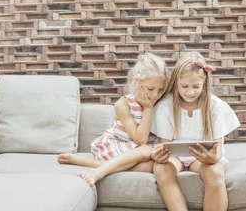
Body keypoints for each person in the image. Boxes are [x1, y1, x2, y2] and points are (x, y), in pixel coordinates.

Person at [58, 53, 169, 186]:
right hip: (118, 145)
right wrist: (148, 109)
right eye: (150, 89)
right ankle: (98, 171)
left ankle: (92, 163)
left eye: (160, 90)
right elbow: (140, 139)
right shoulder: (123, 104)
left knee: (152, 166)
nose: (155, 95)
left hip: (136, 154)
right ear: (137, 83)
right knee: (146, 150)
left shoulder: (161, 104)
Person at [150, 52, 240, 211]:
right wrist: (160, 155)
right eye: (184, 86)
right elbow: (165, 146)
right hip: (175, 157)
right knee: (161, 168)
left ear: (204, 84)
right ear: (176, 82)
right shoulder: (165, 106)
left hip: (201, 158)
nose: (190, 92)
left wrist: (212, 158)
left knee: (215, 171)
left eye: (196, 87)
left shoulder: (215, 107)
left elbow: (217, 151)